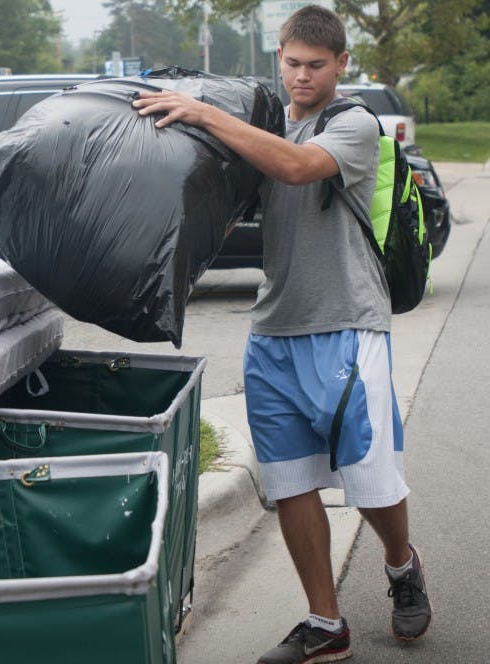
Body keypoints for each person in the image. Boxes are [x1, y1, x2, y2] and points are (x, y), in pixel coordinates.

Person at [132, 5, 431, 663]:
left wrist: (209, 113)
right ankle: (326, 623)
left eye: (315, 66)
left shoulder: (353, 124)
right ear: (280, 58)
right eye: (292, 63)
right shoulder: (270, 122)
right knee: (290, 479)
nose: (301, 76)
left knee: (370, 477)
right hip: (273, 331)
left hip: (347, 324)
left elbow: (297, 168)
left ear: (341, 65)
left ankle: (400, 561)